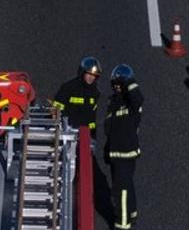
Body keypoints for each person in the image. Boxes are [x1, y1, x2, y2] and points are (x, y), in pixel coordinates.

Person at [104, 64, 143, 228]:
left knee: (121, 192)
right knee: (127, 185)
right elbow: (111, 130)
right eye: (116, 84)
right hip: (116, 154)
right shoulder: (113, 102)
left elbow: (137, 96)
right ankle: (131, 213)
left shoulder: (132, 102)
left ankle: (123, 223)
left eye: (121, 84)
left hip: (125, 153)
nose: (118, 87)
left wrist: (128, 81)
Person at [51, 57, 103, 134]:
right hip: (67, 132)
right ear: (82, 72)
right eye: (88, 73)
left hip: (85, 134)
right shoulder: (69, 87)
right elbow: (56, 109)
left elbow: (93, 118)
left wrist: (93, 134)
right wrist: (62, 126)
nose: (91, 77)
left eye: (94, 75)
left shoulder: (95, 93)